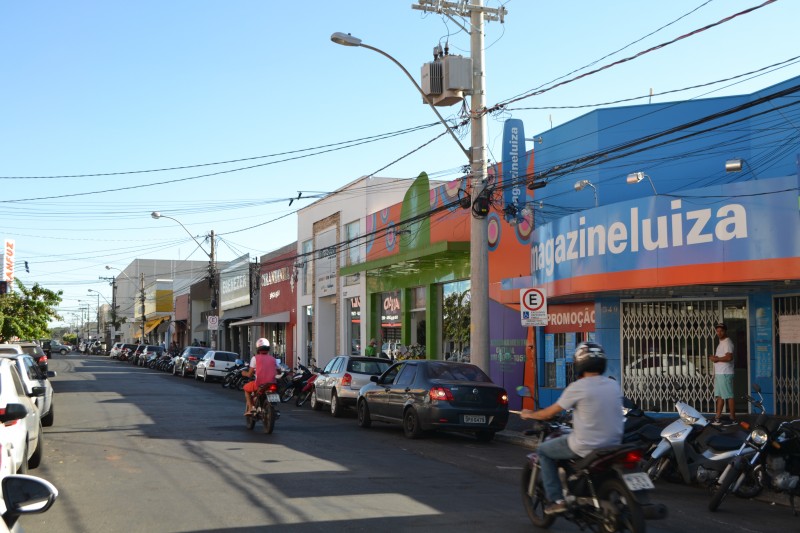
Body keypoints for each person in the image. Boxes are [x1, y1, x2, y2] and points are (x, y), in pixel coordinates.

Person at [520, 342, 623, 515]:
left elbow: (548, 413)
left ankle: (557, 500)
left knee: (544, 450)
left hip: (586, 445)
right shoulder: (613, 385)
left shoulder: (577, 387)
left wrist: (529, 414)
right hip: (614, 443)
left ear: (579, 364)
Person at [242, 338, 278, 415]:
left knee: (246, 388)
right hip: (272, 383)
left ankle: (251, 408)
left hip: (259, 384)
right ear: (268, 349)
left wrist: (244, 373)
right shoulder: (273, 359)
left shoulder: (255, 358)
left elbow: (250, 374)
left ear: (258, 349)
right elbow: (279, 371)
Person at [710, 322, 735, 424]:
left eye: (721, 331)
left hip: (725, 373)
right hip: (720, 373)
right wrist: (715, 359)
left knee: (729, 396)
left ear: (725, 331)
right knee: (720, 396)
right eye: (717, 331)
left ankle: (733, 418)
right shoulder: (721, 342)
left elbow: (729, 357)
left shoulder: (727, 343)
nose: (719, 333)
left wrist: (716, 359)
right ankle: (717, 417)